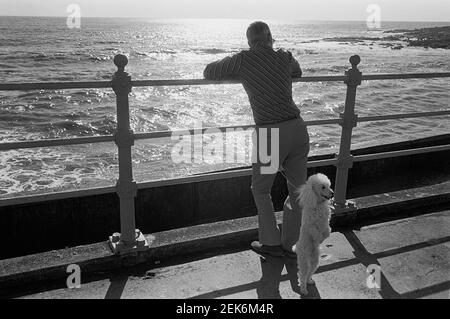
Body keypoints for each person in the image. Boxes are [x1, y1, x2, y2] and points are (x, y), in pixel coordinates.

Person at [204, 21, 310, 258]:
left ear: (249, 41)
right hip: (297, 128)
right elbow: (298, 71)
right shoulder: (284, 56)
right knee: (296, 189)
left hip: (270, 133)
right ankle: (291, 244)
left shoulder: (243, 59)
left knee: (261, 189)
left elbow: (209, 72)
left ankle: (271, 242)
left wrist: (238, 71)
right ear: (270, 37)